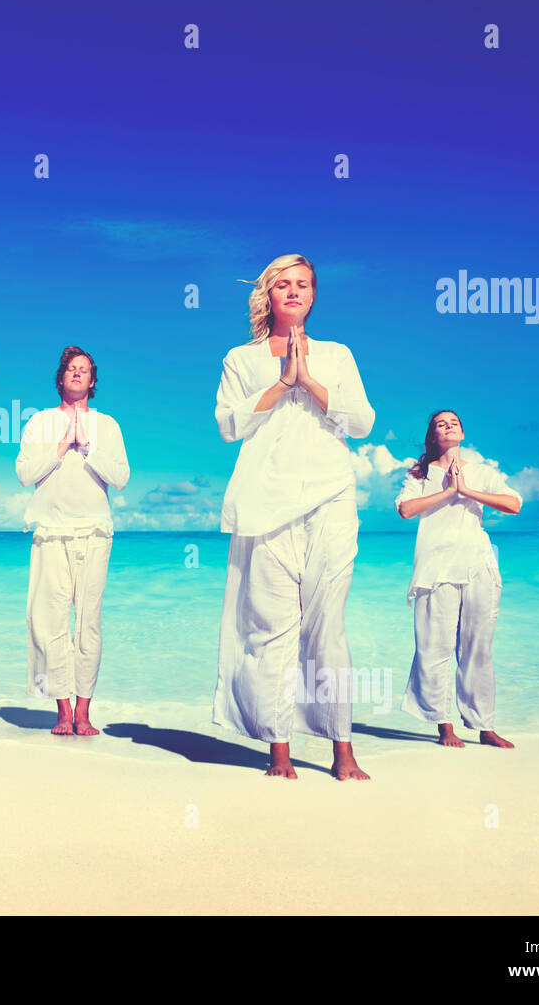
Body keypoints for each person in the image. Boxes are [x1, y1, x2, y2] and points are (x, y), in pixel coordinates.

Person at [213, 254, 374, 780]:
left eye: (303, 284)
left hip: (331, 497)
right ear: (268, 293)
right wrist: (283, 382)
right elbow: (228, 425)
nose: (294, 291)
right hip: (264, 502)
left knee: (329, 628)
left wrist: (310, 380)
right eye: (283, 284)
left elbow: (362, 421)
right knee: (272, 630)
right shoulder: (242, 357)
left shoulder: (338, 353)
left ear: (314, 294)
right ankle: (278, 750)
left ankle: (342, 747)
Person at [16, 347, 130, 736]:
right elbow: (24, 474)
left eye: (84, 370)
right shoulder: (39, 422)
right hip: (49, 530)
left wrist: (89, 447)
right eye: (71, 369)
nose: (78, 375)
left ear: (92, 381)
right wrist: (61, 447)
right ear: (61, 378)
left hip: (95, 531)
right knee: (48, 622)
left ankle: (84, 712)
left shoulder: (109, 425)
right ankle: (61, 710)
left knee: (89, 624)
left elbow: (121, 477)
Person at [395, 410, 522, 748]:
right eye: (440, 424)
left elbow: (513, 504)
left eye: (453, 422)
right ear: (433, 436)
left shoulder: (482, 471)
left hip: (478, 566)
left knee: (478, 649)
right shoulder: (419, 473)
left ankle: (484, 725)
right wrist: (449, 492)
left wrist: (466, 489)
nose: (447, 426)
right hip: (436, 570)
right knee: (434, 648)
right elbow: (406, 509)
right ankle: (444, 724)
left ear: (462, 432)